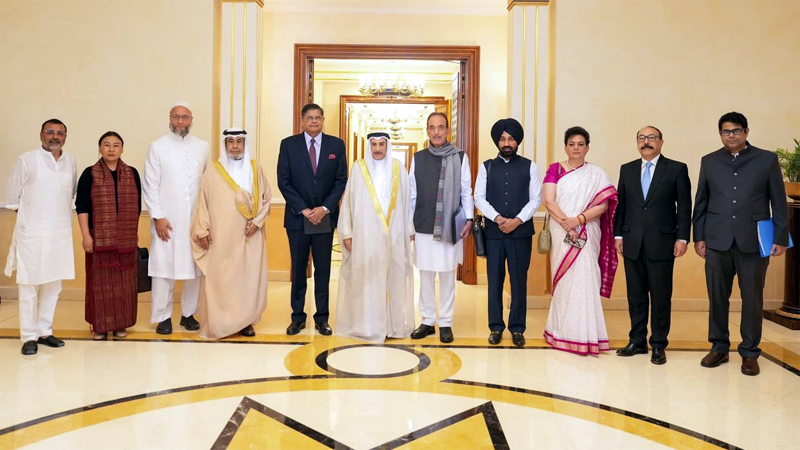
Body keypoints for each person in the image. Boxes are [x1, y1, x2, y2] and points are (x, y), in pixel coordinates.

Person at [693, 112, 788, 376]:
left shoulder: (766, 159)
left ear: (746, 132)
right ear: (720, 134)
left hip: (753, 242)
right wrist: (699, 236)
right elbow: (701, 201)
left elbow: (778, 201)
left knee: (752, 299)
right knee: (717, 297)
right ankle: (719, 347)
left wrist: (780, 237)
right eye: (726, 131)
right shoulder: (709, 161)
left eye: (736, 130)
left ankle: (749, 352)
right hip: (717, 240)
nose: (731, 135)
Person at [614, 126, 691, 365]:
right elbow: (621, 205)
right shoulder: (627, 169)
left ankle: (658, 344)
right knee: (635, 296)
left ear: (661, 142)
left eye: (651, 138)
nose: (646, 142)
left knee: (660, 296)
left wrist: (682, 238)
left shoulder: (676, 169)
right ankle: (637, 341)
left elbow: (684, 206)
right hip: (632, 242)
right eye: (641, 138)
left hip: (663, 242)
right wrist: (618, 235)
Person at [542, 126, 618, 356]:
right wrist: (567, 224)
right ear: (565, 147)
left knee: (586, 280)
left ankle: (587, 335)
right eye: (571, 144)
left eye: (580, 144)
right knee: (565, 282)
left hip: (587, 231)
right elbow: (548, 200)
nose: (576, 148)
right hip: (561, 231)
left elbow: (603, 206)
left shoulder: (596, 174)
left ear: (587, 148)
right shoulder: (555, 169)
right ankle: (560, 332)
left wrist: (579, 220)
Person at [5, 118, 76, 355]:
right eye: (50, 132)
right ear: (41, 135)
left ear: (65, 137)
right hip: (32, 235)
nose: (55, 136)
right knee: (29, 285)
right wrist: (32, 220)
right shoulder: (27, 160)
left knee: (53, 285)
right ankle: (28, 337)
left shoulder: (70, 161)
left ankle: (44, 331)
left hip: (60, 234)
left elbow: (71, 194)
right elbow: (12, 198)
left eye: (60, 133)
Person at [191, 128, 271, 339]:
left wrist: (257, 222)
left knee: (248, 278)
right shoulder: (214, 170)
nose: (235, 146)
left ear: (245, 144)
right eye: (231, 142)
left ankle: (246, 322)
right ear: (225, 145)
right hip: (221, 236)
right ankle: (222, 323)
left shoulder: (255, 168)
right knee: (222, 278)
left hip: (250, 235)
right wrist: (202, 229)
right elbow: (202, 202)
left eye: (239, 141)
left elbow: (266, 199)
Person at [336, 132, 415, 342]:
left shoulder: (398, 168)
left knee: (392, 280)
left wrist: (409, 229)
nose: (378, 149)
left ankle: (391, 326)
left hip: (393, 235)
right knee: (367, 280)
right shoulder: (358, 168)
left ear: (387, 146)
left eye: (381, 144)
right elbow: (348, 202)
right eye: (374, 144)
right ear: (368, 146)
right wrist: (347, 232)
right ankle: (367, 326)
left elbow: (407, 202)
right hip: (365, 236)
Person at [277, 103, 347, 336]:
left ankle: (322, 318)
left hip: (324, 219)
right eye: (310, 118)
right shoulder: (288, 145)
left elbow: (341, 180)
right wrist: (304, 209)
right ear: (302, 120)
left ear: (323, 120)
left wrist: (324, 208)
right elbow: (284, 181)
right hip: (297, 219)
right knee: (298, 270)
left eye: (318, 117)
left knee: (323, 271)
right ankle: (297, 317)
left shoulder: (336, 145)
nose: (314, 121)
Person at [143, 102, 210, 334]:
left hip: (195, 221)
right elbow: (150, 184)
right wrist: (158, 217)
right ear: (169, 119)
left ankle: (188, 314)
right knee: (164, 269)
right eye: (176, 117)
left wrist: (205, 220)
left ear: (192, 119)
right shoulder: (157, 147)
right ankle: (163, 317)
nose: (180, 122)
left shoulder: (203, 147)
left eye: (185, 117)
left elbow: (206, 184)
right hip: (167, 221)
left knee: (194, 269)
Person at [474, 118, 541, 347]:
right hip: (494, 234)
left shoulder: (530, 166)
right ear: (497, 141)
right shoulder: (486, 167)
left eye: (511, 139)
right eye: (502, 139)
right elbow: (478, 197)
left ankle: (517, 328)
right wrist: (497, 218)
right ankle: (495, 327)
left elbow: (536, 199)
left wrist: (517, 221)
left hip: (520, 234)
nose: (506, 143)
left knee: (519, 282)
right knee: (494, 282)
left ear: (517, 141)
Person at [409, 112, 474, 343]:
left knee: (447, 275)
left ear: (447, 130)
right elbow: (412, 194)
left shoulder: (460, 157)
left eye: (440, 127)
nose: (436, 132)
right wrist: (410, 226)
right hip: (423, 225)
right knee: (426, 275)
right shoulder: (418, 158)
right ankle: (427, 321)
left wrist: (469, 219)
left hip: (449, 226)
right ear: (427, 130)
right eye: (432, 127)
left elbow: (466, 191)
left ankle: (445, 322)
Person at [76, 131, 142, 340]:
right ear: (99, 148)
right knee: (100, 284)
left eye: (116, 145)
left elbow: (137, 206)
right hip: (98, 237)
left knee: (124, 285)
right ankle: (100, 326)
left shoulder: (132, 173)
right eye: (107, 145)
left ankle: (121, 324)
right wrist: (86, 235)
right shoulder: (90, 173)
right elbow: (81, 206)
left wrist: (132, 233)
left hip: (125, 240)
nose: (111, 149)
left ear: (122, 149)